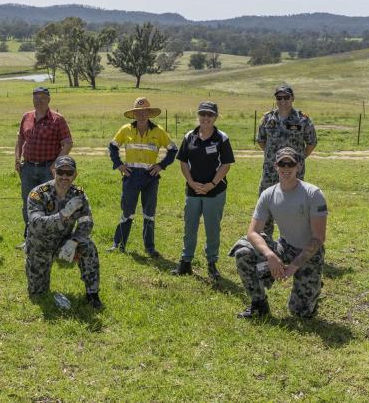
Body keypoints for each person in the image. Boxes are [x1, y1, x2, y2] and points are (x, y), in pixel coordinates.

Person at [230, 147, 328, 319]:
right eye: (282, 163)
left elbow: (318, 238)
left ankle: (313, 286)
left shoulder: (313, 194)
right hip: (284, 247)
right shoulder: (268, 194)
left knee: (299, 313)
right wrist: (271, 256)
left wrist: (293, 267)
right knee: (243, 252)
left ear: (298, 166)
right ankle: (259, 304)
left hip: (309, 254)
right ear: (275, 166)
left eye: (291, 163)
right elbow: (253, 232)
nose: (286, 167)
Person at [25, 156, 102, 309]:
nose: (64, 177)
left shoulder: (78, 195)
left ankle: (92, 294)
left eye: (69, 173)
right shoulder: (39, 193)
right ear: (54, 172)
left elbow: (86, 222)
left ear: (75, 175)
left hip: (64, 242)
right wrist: (63, 215)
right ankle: (39, 282)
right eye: (61, 172)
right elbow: (35, 224)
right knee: (38, 295)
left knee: (88, 246)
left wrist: (74, 241)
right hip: (39, 246)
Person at [108, 97, 177, 258]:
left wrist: (161, 165)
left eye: (144, 111)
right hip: (131, 175)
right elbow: (112, 146)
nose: (141, 115)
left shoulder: (158, 131)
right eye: (138, 112)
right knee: (127, 211)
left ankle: (149, 248)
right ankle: (118, 245)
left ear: (149, 113)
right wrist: (118, 164)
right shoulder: (125, 129)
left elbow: (173, 149)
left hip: (150, 178)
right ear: (134, 114)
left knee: (149, 213)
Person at [172, 102, 235, 281]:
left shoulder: (221, 138)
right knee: (189, 227)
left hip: (214, 191)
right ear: (198, 116)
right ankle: (185, 263)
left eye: (210, 115)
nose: (206, 118)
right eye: (203, 114)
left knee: (212, 228)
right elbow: (183, 162)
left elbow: (226, 164)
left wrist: (212, 184)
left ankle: (212, 264)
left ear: (216, 117)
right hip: (192, 191)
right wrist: (191, 182)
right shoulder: (189, 136)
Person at [15, 86, 73, 248]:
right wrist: (17, 158)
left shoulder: (57, 119)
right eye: (35, 98)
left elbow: (68, 143)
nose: (38, 101)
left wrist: (56, 163)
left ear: (49, 100)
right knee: (28, 202)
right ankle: (30, 237)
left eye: (42, 98)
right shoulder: (26, 117)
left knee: (51, 203)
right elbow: (20, 139)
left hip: (48, 169)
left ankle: (52, 239)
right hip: (27, 168)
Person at [256, 85, 317, 238]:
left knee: (294, 205)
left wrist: (298, 160)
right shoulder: (268, 118)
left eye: (286, 97)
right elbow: (261, 140)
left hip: (293, 172)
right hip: (271, 171)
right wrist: (273, 158)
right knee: (266, 205)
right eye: (279, 98)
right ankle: (265, 242)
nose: (282, 101)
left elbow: (311, 142)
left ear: (292, 98)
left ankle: (294, 242)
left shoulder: (302, 119)